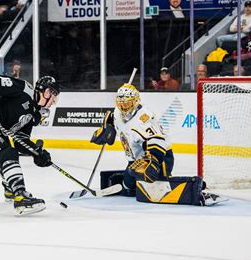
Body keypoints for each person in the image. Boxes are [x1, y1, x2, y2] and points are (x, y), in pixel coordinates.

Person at [91, 83, 224, 206]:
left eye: (127, 104)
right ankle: (137, 182)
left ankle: (196, 188)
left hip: (161, 157)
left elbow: (157, 140)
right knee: (128, 185)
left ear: (135, 101)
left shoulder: (144, 119)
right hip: (136, 160)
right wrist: (107, 127)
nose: (123, 107)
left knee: (161, 189)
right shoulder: (117, 113)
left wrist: (153, 161)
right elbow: (114, 120)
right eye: (121, 104)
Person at [0, 75, 59, 215]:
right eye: (54, 96)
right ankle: (20, 196)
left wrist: (36, 152)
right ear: (47, 92)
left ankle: (10, 190)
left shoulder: (35, 115)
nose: (54, 101)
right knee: (8, 154)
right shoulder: (23, 89)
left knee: (10, 153)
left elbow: (20, 139)